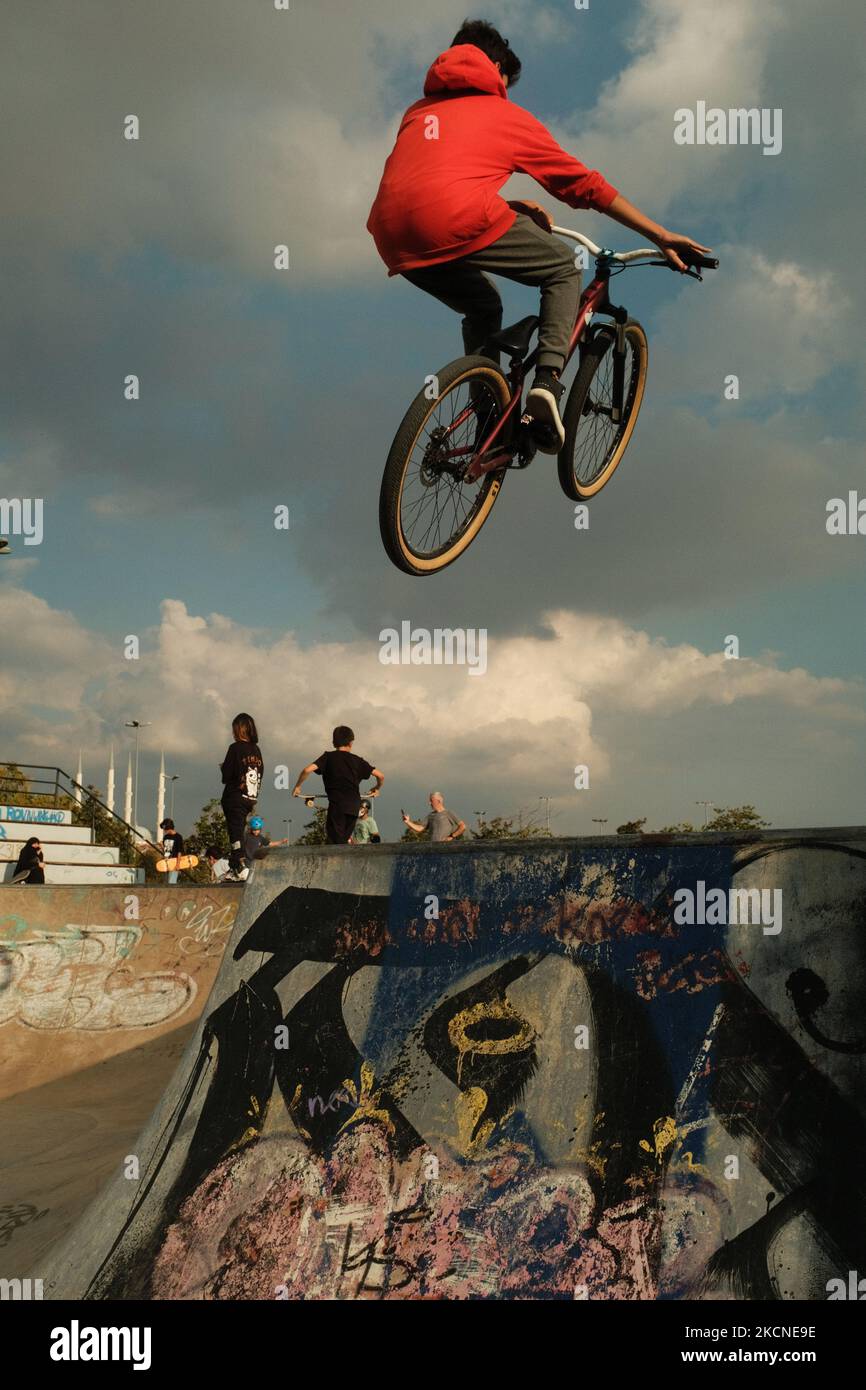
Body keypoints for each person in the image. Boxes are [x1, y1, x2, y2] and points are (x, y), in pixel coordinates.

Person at [367, 19, 711, 452]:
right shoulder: (504, 115)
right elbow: (582, 185)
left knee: (483, 306)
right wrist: (659, 233)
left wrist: (510, 207)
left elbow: (428, 186)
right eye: (506, 81)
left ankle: (488, 418)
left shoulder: (417, 113)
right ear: (495, 66)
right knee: (564, 269)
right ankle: (546, 385)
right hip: (455, 219)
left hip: (390, 234)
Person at [292, 726, 384, 845]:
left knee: (335, 844)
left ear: (333, 743)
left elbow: (307, 770)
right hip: (354, 807)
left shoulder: (328, 757)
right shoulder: (357, 760)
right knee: (342, 842)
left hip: (337, 806)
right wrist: (376, 788)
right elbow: (381, 776)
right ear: (351, 743)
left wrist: (298, 786)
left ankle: (334, 862)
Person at [219, 712, 263, 880]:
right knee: (239, 829)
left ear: (239, 730)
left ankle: (240, 865)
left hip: (234, 796)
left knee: (235, 832)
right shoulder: (256, 750)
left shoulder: (235, 748)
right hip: (250, 798)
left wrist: (223, 768)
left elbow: (226, 776)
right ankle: (235, 865)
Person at [158, 817, 184, 884]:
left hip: (174, 862)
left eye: (164, 828)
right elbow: (166, 851)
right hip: (166, 862)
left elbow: (179, 851)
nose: (164, 830)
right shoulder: (166, 837)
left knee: (171, 882)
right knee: (165, 883)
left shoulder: (178, 837)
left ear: (168, 827)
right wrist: (162, 846)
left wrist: (178, 864)